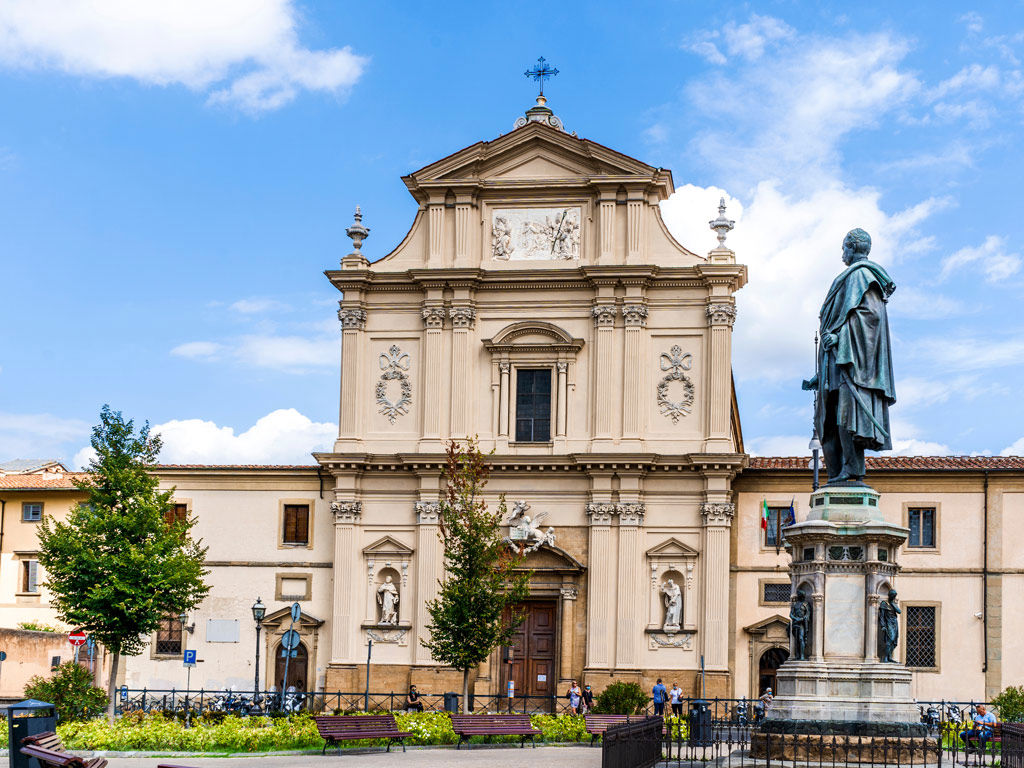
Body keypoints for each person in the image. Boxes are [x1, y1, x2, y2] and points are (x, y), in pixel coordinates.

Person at [802, 228, 896, 483]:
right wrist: (820, 374)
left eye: (844, 248)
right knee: (827, 421)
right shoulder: (850, 278)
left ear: (852, 247)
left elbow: (871, 318)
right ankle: (836, 472)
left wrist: (841, 339)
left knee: (847, 416)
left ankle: (852, 470)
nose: (842, 253)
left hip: (852, 365)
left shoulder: (862, 277)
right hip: (833, 363)